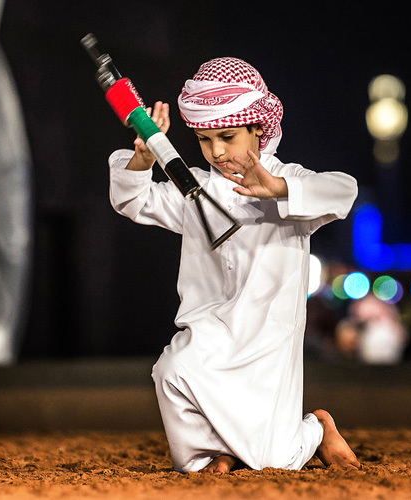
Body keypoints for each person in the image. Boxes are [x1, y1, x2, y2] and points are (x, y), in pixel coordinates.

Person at [108, 57, 361, 473]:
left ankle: (316, 427)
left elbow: (343, 191)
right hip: (209, 328)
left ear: (258, 128)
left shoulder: (287, 179)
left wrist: (279, 189)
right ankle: (214, 454)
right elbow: (133, 200)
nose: (217, 151)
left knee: (274, 462)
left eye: (227, 136)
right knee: (172, 372)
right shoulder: (195, 191)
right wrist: (141, 159)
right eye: (205, 140)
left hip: (269, 336)